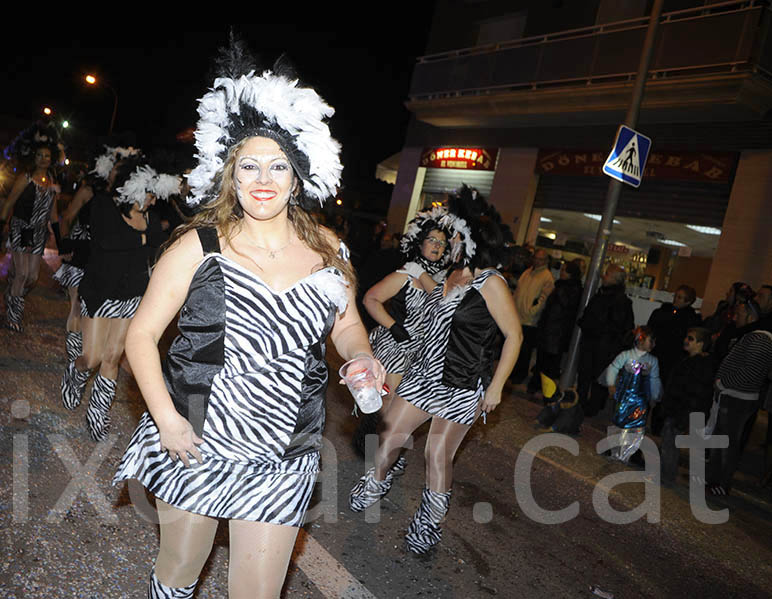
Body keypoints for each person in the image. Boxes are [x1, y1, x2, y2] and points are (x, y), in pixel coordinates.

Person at [112, 40, 382, 599]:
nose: (264, 178)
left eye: (278, 165)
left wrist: (361, 357)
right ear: (229, 175)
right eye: (249, 165)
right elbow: (139, 335)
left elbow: (347, 323)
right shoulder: (197, 246)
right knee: (179, 573)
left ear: (298, 176)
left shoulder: (330, 249)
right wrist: (166, 421)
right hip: (198, 438)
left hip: (284, 451)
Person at [349, 190, 521, 555]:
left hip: (461, 384)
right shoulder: (450, 275)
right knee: (390, 432)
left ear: (472, 240)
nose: (450, 241)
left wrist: (497, 388)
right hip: (424, 376)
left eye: (456, 235)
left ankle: (428, 523)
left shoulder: (490, 282)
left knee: (436, 454)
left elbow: (514, 335)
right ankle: (376, 483)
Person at [61, 160, 178, 442]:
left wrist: (144, 236)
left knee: (112, 357)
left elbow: (159, 242)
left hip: (133, 294)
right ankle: (74, 375)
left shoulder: (150, 215)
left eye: (154, 193)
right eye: (148, 192)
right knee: (92, 358)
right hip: (101, 292)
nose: (152, 198)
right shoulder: (104, 205)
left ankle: (98, 414)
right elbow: (107, 241)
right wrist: (142, 239)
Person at [353, 206, 453, 455]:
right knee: (389, 405)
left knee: (406, 408)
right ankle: (378, 456)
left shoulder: (442, 279)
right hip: (396, 347)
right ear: (419, 243)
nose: (437, 245)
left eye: (442, 242)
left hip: (420, 353)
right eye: (431, 240)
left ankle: (385, 455)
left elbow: (444, 306)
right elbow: (370, 299)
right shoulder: (406, 274)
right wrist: (393, 326)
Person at [53, 146, 140, 362]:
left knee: (89, 309)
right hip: (80, 249)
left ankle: (85, 351)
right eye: (113, 167)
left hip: (102, 259)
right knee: (75, 304)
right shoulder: (88, 191)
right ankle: (74, 356)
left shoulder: (123, 204)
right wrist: (64, 245)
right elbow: (68, 216)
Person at [0, 124, 65, 332]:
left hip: (38, 233)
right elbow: (9, 203)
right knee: (21, 274)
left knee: (32, 278)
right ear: (32, 157)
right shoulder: (25, 178)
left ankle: (11, 294)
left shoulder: (51, 182)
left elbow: (53, 214)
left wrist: (60, 240)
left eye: (47, 156)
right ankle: (13, 316)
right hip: (20, 228)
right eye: (39, 155)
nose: (43, 159)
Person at [706, 325, 772, 496]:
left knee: (727, 440)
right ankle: (713, 478)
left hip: (737, 397)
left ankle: (720, 482)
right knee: (722, 437)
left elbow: (749, 371)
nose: (736, 317)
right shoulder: (758, 338)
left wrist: (723, 383)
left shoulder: (761, 340)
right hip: (735, 395)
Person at [659, 327, 714, 486]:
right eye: (686, 337)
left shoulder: (699, 365)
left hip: (680, 410)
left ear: (700, 344)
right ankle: (665, 473)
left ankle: (666, 477)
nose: (686, 341)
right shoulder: (689, 361)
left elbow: (693, 392)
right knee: (667, 441)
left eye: (691, 339)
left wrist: (685, 413)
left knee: (670, 444)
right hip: (676, 408)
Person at [577, 264, 634, 417]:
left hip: (604, 346)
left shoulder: (619, 301)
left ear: (615, 279)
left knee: (597, 378)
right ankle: (581, 404)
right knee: (585, 375)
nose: (604, 276)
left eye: (607, 274)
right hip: (594, 343)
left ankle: (591, 407)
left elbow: (619, 328)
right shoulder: (602, 295)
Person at [602, 326, 662, 463]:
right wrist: (611, 384)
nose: (653, 344)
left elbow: (654, 378)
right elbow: (614, 367)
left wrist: (654, 395)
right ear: (640, 340)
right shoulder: (626, 355)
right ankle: (615, 448)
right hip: (624, 396)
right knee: (620, 421)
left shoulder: (653, 360)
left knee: (637, 424)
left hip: (640, 398)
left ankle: (630, 451)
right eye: (650, 340)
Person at [510, 248, 554, 391]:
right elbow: (518, 291)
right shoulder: (527, 272)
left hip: (530, 320)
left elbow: (543, 299)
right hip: (517, 315)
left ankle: (520, 374)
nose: (537, 261)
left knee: (525, 350)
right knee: (514, 347)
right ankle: (513, 371)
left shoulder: (547, 277)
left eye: (540, 259)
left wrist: (531, 312)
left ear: (545, 261)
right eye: (535, 258)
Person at [535, 259, 582, 387]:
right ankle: (538, 383)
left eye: (564, 270)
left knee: (550, 362)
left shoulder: (573, 288)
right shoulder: (560, 285)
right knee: (543, 359)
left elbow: (566, 306)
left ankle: (545, 386)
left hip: (558, 330)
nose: (561, 272)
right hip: (550, 327)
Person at [647, 285, 701, 381]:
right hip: (656, 351)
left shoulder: (691, 319)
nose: (675, 299)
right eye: (675, 296)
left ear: (688, 302)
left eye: (680, 297)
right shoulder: (662, 312)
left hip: (673, 357)